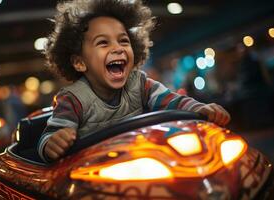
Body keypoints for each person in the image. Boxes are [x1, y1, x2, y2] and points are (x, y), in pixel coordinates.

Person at [38, 0, 231, 163]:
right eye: (103, 43)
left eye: (123, 41)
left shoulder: (140, 84)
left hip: (141, 158)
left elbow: (174, 102)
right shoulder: (72, 99)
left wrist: (200, 108)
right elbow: (51, 135)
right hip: (94, 170)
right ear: (79, 62)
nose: (118, 48)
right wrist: (52, 143)